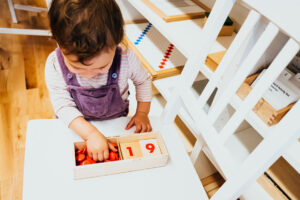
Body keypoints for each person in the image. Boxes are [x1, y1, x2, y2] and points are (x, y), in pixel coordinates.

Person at [45, 0, 152, 162]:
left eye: (102, 67)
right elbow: (63, 105)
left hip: (116, 121)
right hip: (75, 125)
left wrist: (142, 112)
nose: (90, 75)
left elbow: (143, 81)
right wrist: (90, 134)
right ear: (60, 44)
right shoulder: (55, 64)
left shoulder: (125, 59)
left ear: (116, 43)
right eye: (77, 68)